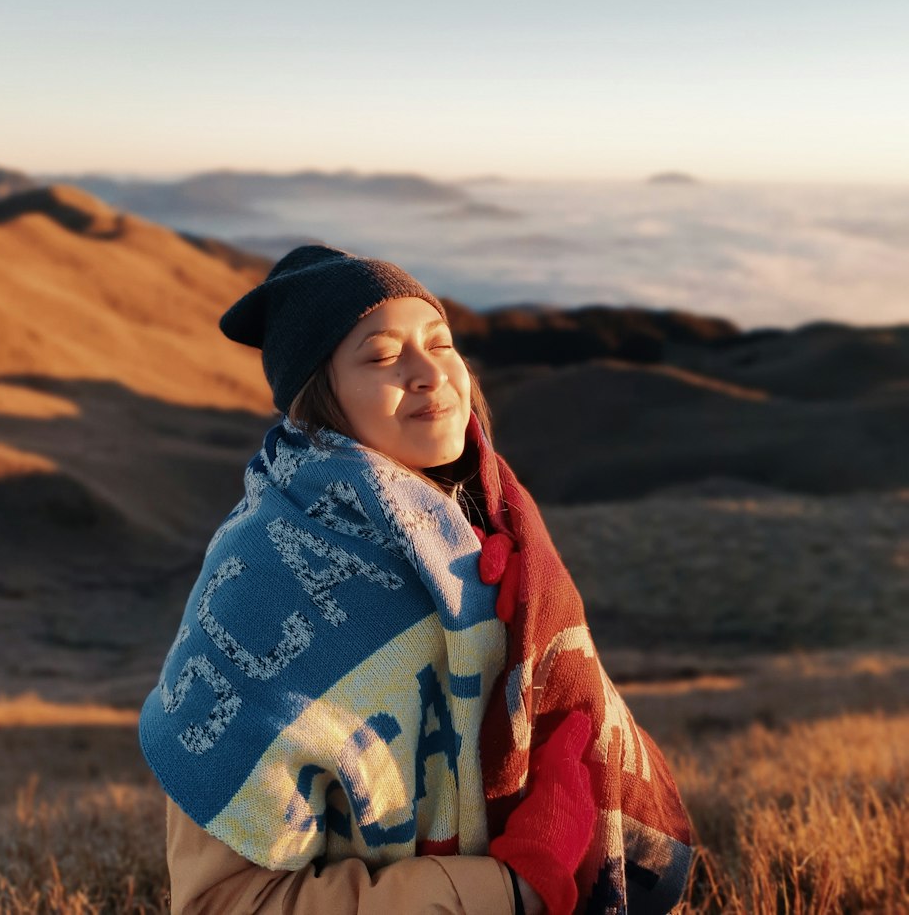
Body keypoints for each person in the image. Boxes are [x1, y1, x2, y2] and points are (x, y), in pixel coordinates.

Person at [139, 246, 693, 914]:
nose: (431, 372)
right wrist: (511, 886)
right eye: (381, 356)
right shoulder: (261, 581)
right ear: (321, 398)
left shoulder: (497, 524)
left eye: (442, 342)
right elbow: (226, 902)